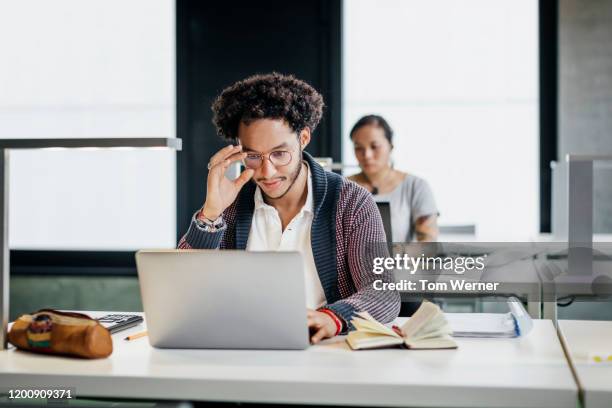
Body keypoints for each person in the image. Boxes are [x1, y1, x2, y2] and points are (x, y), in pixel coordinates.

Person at [178, 73, 399, 344]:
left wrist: (333, 317)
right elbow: (183, 291)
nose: (267, 171)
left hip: (324, 353)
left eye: (279, 153)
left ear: (303, 138)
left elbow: (384, 293)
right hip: (240, 349)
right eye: (253, 156)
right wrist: (211, 213)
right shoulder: (230, 204)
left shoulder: (352, 203)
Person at [348, 115, 439, 242]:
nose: (367, 155)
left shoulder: (415, 186)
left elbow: (428, 244)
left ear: (390, 146)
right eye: (359, 148)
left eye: (374, 146)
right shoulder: (343, 187)